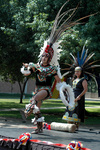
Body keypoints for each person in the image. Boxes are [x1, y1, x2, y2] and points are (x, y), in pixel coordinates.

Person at [22, 46, 61, 134]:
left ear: (49, 58)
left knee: (34, 100)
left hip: (46, 90)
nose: (44, 58)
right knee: (37, 109)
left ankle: (27, 111)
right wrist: (25, 69)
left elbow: (58, 80)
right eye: (43, 56)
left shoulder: (52, 68)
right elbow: (27, 73)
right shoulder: (36, 66)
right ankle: (39, 128)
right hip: (37, 89)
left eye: (46, 56)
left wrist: (63, 88)